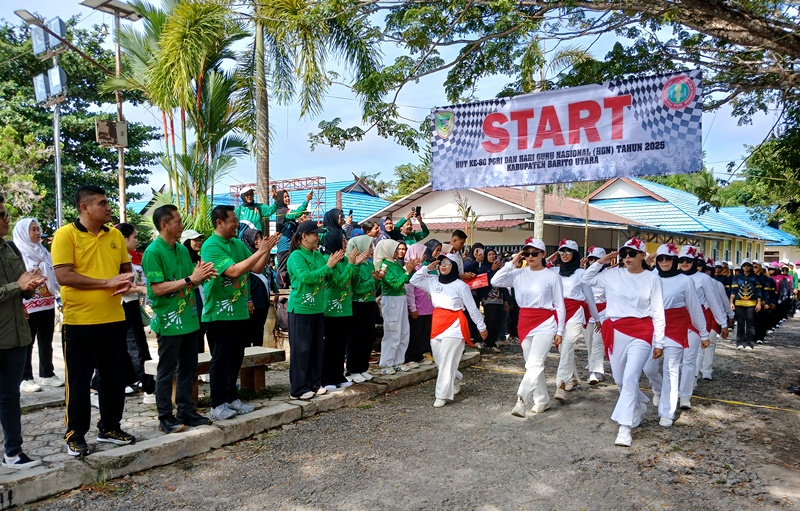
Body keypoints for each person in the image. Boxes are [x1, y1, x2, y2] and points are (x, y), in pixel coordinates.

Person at [52, 185, 137, 456]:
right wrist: (106, 282)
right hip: (79, 322)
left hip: (113, 319)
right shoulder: (65, 235)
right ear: (84, 208)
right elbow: (63, 276)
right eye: (102, 203)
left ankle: (110, 427)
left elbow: (126, 269)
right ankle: (75, 435)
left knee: (113, 378)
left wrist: (126, 280)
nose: (109, 207)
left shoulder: (114, 235)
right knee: (78, 382)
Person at [582, 238, 665, 447]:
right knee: (619, 379)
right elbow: (586, 279)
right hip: (617, 330)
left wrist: (659, 342)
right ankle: (637, 406)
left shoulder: (652, 279)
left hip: (642, 331)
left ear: (642, 256)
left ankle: (625, 428)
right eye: (624, 253)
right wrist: (600, 262)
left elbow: (657, 311)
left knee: (629, 377)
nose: (627, 257)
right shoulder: (611, 274)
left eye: (632, 253)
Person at [142, 205, 218, 433]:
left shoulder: (182, 250)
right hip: (169, 320)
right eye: (177, 221)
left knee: (188, 367)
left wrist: (202, 276)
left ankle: (186, 410)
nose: (181, 225)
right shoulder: (153, 252)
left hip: (190, 318)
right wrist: (189, 279)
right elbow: (157, 288)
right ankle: (165, 416)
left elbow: (192, 280)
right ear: (164, 225)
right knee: (166, 370)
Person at [201, 205, 279, 420]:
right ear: (220, 223)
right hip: (219, 314)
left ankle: (231, 398)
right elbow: (234, 271)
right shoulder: (211, 246)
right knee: (221, 359)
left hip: (239, 312)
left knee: (236, 357)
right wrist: (260, 251)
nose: (237, 224)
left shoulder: (236, 243)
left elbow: (255, 268)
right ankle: (217, 404)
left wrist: (265, 251)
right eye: (233, 220)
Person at [491, 238, 565, 418]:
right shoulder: (518, 274)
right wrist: (513, 261)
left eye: (534, 253)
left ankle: (521, 400)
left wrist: (560, 330)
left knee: (535, 363)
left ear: (543, 254)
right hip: (525, 321)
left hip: (545, 322)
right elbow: (495, 280)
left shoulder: (552, 276)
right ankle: (542, 399)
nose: (530, 257)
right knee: (531, 364)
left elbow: (559, 305)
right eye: (527, 253)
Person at [0, 194, 46, 469]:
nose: (7, 218)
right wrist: (18, 286)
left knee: (10, 395)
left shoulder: (10, 249)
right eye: (2, 214)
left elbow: (21, 288)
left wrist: (30, 286)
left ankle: (13, 452)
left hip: (16, 333)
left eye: (6, 213)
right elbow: (14, 286)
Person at [642, 244, 708, 428]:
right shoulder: (649, 277)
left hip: (676, 327)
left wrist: (703, 333)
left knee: (671, 370)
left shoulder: (685, 281)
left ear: (675, 260)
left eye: (669, 258)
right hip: (653, 327)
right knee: (648, 368)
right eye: (661, 258)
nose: (664, 262)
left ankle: (667, 412)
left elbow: (695, 309)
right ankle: (658, 390)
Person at [410, 253, 487, 407]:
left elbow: (472, 308)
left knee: (446, 361)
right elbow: (413, 280)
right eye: (441, 263)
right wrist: (427, 268)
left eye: (447, 263)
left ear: (454, 266)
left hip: (455, 325)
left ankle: (441, 395)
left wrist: (481, 326)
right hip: (438, 322)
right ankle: (456, 377)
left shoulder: (461, 285)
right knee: (440, 361)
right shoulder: (432, 281)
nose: (443, 266)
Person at [287, 221, 343, 399]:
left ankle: (313, 383)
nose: (318, 238)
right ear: (304, 236)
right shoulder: (296, 256)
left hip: (318, 308)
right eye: (315, 234)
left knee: (315, 348)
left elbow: (329, 275)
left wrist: (333, 266)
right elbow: (306, 278)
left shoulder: (317, 255)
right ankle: (298, 388)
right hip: (301, 308)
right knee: (301, 350)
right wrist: (328, 267)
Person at [12, 218, 62, 393]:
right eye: (32, 230)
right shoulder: (18, 253)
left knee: (46, 340)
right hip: (29, 303)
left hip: (46, 302)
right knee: (28, 341)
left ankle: (47, 374)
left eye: (38, 229)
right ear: (23, 232)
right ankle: (25, 377)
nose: (37, 232)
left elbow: (53, 274)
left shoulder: (43, 251)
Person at [547, 239, 600, 401]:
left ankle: (560, 386)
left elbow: (590, 298)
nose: (564, 255)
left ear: (575, 254)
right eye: (562, 251)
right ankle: (574, 377)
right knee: (563, 349)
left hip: (576, 313)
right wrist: (551, 257)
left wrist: (597, 318)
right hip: (558, 313)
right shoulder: (554, 272)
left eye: (569, 251)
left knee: (568, 345)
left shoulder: (582, 274)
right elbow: (539, 265)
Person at [677, 246, 728, 408]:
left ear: (695, 262)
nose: (684, 263)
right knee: (674, 359)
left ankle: (685, 394)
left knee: (690, 357)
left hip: (695, 321)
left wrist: (724, 323)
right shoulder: (673, 276)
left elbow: (714, 303)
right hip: (674, 322)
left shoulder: (704, 279)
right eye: (681, 260)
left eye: (689, 260)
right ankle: (670, 390)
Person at [114, 223, 156, 403]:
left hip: (132, 305)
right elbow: (120, 287)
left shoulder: (130, 259)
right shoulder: (116, 259)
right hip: (123, 305)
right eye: (135, 237)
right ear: (123, 239)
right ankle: (149, 389)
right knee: (136, 347)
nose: (137, 240)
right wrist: (142, 289)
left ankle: (137, 381)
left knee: (135, 346)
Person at [374, 239, 416, 374]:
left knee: (404, 331)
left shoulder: (395, 264)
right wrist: (407, 272)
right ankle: (386, 364)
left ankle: (398, 361)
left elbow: (407, 279)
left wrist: (411, 269)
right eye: (395, 249)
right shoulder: (384, 265)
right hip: (392, 300)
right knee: (392, 332)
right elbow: (395, 284)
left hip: (401, 299)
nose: (398, 251)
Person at [345, 234, 381, 383]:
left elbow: (374, 287)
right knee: (357, 338)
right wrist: (372, 282)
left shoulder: (369, 264)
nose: (372, 249)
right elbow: (356, 288)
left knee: (368, 337)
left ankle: (363, 368)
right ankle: (353, 369)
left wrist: (377, 280)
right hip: (357, 304)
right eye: (370, 246)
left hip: (369, 304)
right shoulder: (354, 265)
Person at [240, 228, 278, 347]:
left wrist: (275, 291)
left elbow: (269, 275)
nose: (258, 241)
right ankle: (248, 361)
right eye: (255, 238)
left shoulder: (263, 259)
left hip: (263, 302)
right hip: (253, 303)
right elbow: (245, 280)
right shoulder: (247, 259)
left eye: (260, 238)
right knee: (248, 333)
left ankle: (259, 360)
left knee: (259, 330)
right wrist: (249, 299)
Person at [404, 243, 435, 366]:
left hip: (427, 307)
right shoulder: (410, 270)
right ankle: (410, 357)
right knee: (414, 333)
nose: (424, 256)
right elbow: (409, 291)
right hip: (417, 307)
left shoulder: (422, 268)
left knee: (423, 333)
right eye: (422, 254)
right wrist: (413, 308)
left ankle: (419, 355)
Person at [581, 246, 608, 384]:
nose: (593, 262)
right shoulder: (585, 274)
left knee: (598, 342)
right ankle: (594, 367)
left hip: (603, 312)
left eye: (597, 259)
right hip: (587, 312)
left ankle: (595, 371)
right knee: (589, 343)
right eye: (591, 259)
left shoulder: (609, 274)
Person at [275, 190, 313, 288]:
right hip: (284, 246)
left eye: (288, 196)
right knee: (283, 268)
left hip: (290, 245)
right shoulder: (282, 211)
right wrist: (306, 201)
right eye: (284, 197)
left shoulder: (285, 211)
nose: (287, 198)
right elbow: (297, 213)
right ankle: (281, 289)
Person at [475, 247, 508, 352]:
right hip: (488, 299)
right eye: (489, 254)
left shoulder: (499, 269)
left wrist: (506, 299)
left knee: (498, 320)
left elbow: (503, 284)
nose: (492, 256)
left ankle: (492, 342)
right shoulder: (483, 269)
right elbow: (483, 282)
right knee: (490, 320)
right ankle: (483, 340)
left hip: (499, 299)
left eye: (494, 254)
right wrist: (492, 271)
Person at [181, 230, 208, 353]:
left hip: (202, 301)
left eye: (199, 240)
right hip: (189, 300)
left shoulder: (200, 260)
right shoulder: (182, 260)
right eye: (195, 240)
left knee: (200, 333)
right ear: (186, 242)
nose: (199, 242)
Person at [728, 258, 763, 350]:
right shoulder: (737, 277)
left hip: (751, 303)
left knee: (750, 323)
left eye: (748, 265)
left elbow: (758, 291)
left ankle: (749, 342)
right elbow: (733, 291)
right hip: (739, 303)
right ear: (742, 267)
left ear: (751, 266)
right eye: (744, 265)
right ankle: (739, 341)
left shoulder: (755, 277)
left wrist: (759, 303)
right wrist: (731, 302)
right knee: (740, 323)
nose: (746, 267)